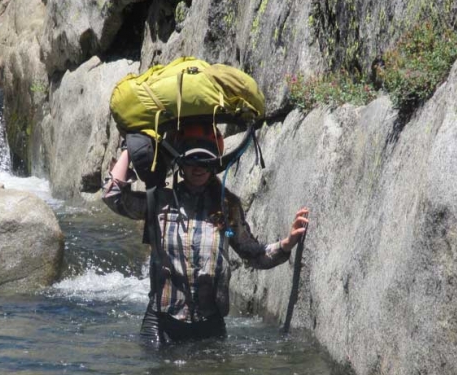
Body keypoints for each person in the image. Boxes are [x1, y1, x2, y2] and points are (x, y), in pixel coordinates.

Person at [103, 124, 310, 344]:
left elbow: (253, 254)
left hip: (209, 324)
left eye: (205, 161)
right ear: (181, 164)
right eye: (192, 160)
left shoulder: (226, 206)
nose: (198, 167)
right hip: (162, 324)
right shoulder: (160, 202)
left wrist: (287, 243)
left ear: (214, 165)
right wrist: (132, 144)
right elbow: (112, 195)